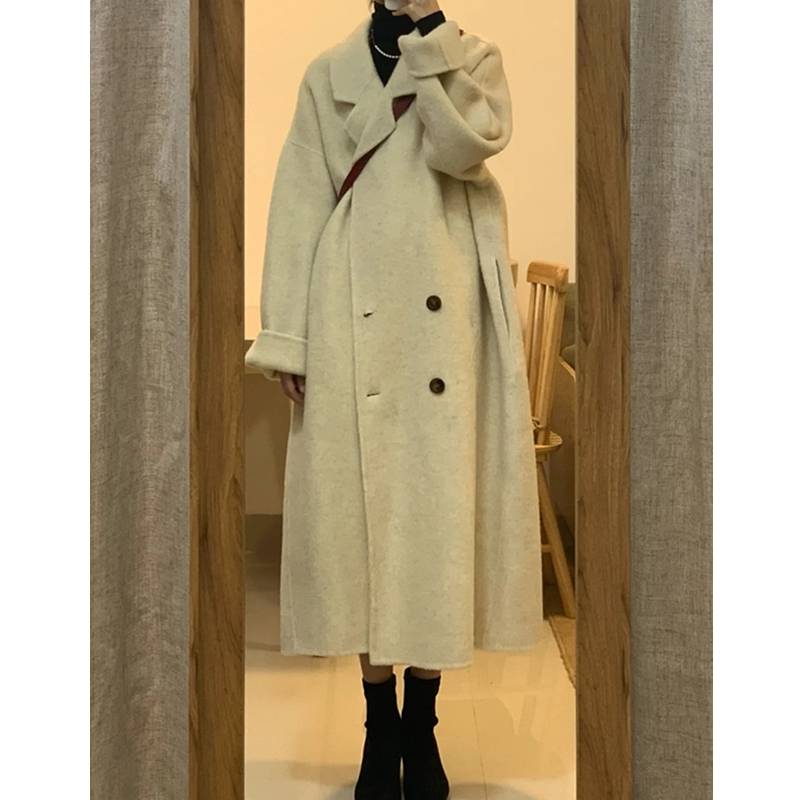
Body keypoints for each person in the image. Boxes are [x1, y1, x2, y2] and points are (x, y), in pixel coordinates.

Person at [245, 1, 543, 797]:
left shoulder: (473, 59)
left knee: (437, 526)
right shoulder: (328, 75)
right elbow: (299, 203)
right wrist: (289, 335)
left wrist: (429, 41)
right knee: (359, 529)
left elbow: (462, 148)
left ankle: (424, 722)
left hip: (448, 324)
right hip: (351, 314)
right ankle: (380, 724)